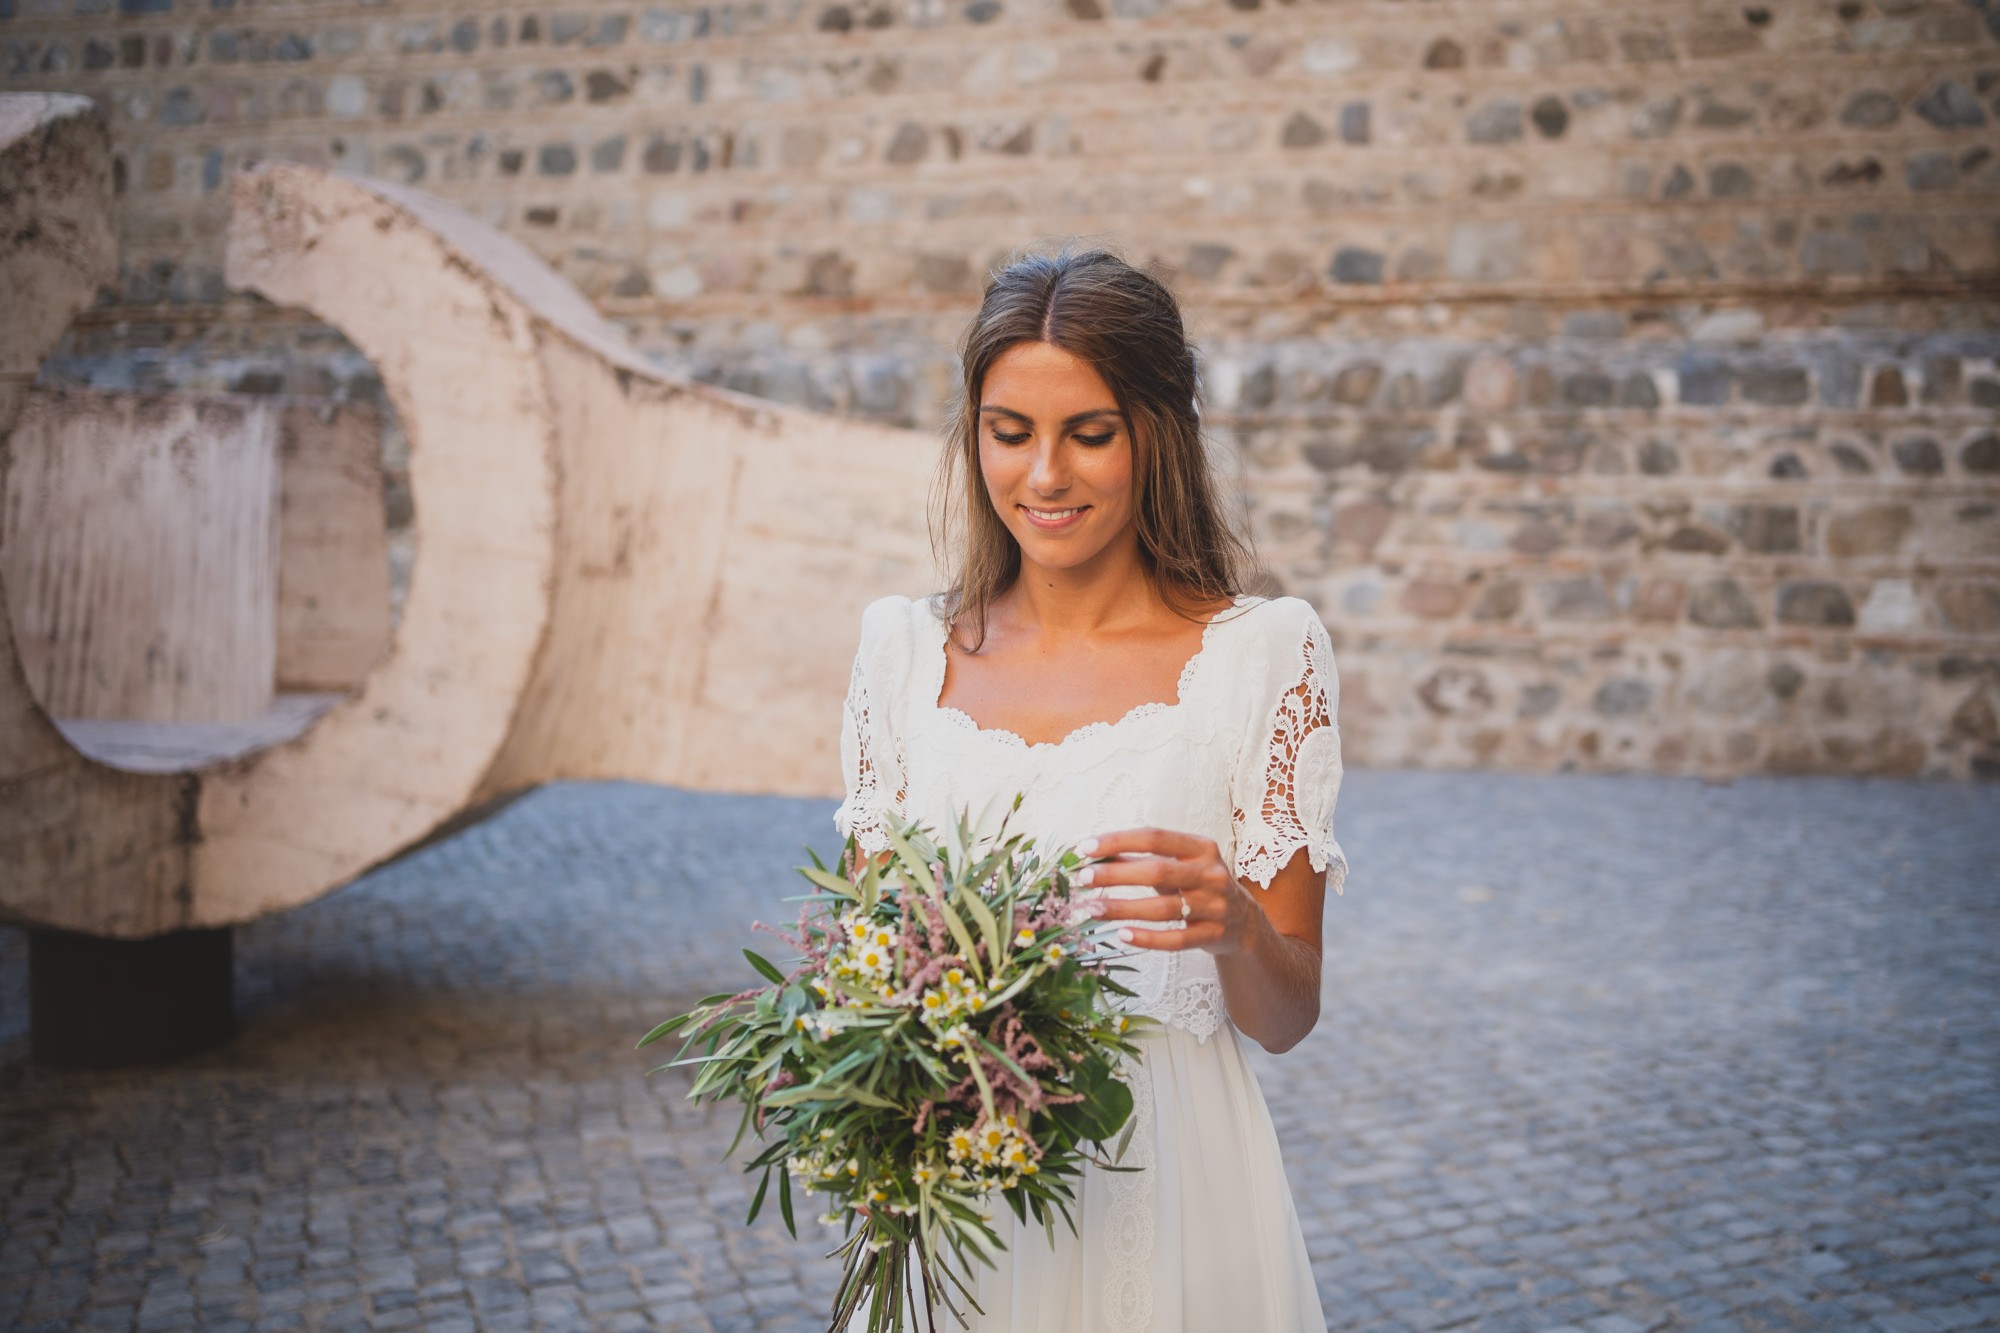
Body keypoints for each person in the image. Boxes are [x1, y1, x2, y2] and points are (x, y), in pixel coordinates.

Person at [833, 248, 1346, 1332]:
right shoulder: (900, 652)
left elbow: (1288, 1015)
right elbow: (862, 977)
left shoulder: (1263, 654)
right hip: (962, 1201)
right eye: (1007, 431)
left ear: (1157, 432)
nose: (1043, 476)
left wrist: (1239, 930)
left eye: (1089, 433)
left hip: (1172, 1197)